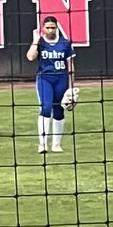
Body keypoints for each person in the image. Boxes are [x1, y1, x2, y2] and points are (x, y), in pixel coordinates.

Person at [26, 15, 76, 154]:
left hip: (61, 79)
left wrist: (71, 87)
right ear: (43, 28)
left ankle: (56, 144)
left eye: (53, 28)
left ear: (57, 27)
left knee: (59, 110)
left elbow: (70, 66)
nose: (50, 30)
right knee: (46, 108)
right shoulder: (40, 43)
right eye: (47, 28)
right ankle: (42, 144)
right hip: (45, 79)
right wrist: (35, 40)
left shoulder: (65, 43)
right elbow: (30, 57)